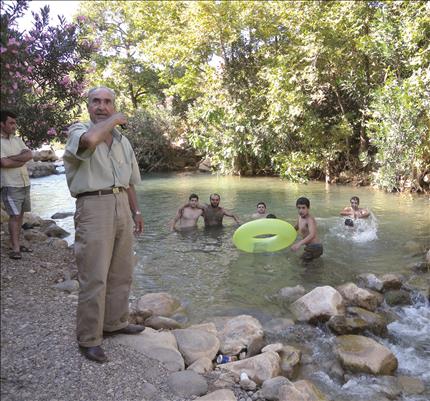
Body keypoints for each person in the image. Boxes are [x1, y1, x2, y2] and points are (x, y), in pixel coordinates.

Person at [63, 86, 145, 364]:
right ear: (88, 105)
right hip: (93, 205)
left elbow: (130, 181)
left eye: (107, 102)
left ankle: (114, 322)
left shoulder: (122, 141)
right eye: (96, 101)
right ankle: (89, 338)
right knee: (94, 276)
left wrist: (137, 212)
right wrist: (113, 120)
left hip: (122, 203)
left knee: (122, 271)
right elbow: (88, 142)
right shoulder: (79, 130)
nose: (102, 106)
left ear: (114, 104)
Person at [0, 110, 33, 260]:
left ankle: (17, 244)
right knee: (14, 216)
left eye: (15, 122)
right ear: (2, 124)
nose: (15, 126)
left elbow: (29, 155)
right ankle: (15, 249)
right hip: (10, 184)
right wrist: (20, 159)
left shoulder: (17, 139)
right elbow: (4, 163)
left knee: (20, 215)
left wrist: (12, 159)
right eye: (11, 123)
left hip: (24, 183)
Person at [291, 197, 323, 261]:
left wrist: (299, 244)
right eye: (299, 208)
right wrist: (285, 234)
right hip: (309, 247)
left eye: (303, 208)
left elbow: (312, 235)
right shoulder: (299, 217)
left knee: (302, 263)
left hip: (315, 247)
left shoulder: (309, 219)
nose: (301, 210)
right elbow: (296, 227)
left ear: (308, 208)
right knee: (306, 265)